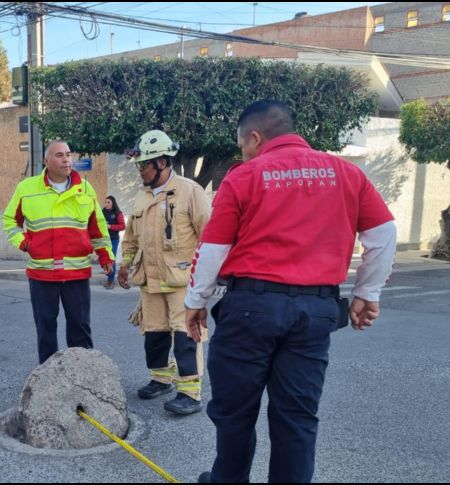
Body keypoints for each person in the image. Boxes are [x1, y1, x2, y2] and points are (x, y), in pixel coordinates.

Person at [185, 100, 396, 483]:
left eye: (243, 145)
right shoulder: (346, 174)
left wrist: (195, 302)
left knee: (234, 414)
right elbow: (383, 235)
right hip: (315, 311)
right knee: (297, 417)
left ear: (255, 136)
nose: (244, 153)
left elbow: (213, 248)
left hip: (250, 308)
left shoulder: (245, 176)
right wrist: (368, 293)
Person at [118, 130, 211, 415]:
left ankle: (190, 392)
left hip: (182, 281)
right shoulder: (142, 196)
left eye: (143, 165)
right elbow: (132, 236)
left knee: (185, 336)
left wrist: (208, 278)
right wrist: (125, 263)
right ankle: (161, 379)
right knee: (154, 334)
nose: (139, 170)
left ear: (161, 162)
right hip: (150, 280)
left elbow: (209, 236)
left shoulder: (190, 192)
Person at [2, 140, 114, 365]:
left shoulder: (84, 187)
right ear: (46, 161)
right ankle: (49, 380)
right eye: (60, 155)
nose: (66, 159)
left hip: (77, 273)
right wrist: (26, 244)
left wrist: (105, 255)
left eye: (69, 155)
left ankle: (82, 378)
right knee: (46, 329)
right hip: (42, 274)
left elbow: (97, 227)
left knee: (80, 328)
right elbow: (10, 221)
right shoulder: (27, 188)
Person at [102, 195, 125, 289]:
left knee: (112, 259)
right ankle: (109, 276)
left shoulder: (118, 213)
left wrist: (111, 227)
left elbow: (122, 226)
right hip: (104, 239)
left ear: (113, 203)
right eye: (105, 202)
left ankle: (111, 280)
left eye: (109, 202)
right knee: (105, 259)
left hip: (114, 239)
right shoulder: (102, 212)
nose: (106, 204)